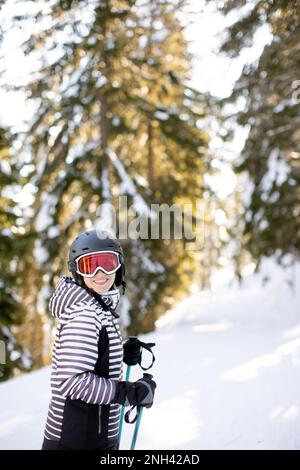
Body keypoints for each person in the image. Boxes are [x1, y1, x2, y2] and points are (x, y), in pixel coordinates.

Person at [42, 229, 156, 450]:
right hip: (76, 441)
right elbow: (72, 381)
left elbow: (88, 359)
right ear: (78, 271)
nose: (101, 272)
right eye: (89, 265)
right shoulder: (85, 313)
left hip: (91, 436)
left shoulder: (95, 306)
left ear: (118, 265)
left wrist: (116, 352)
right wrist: (127, 392)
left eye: (107, 262)